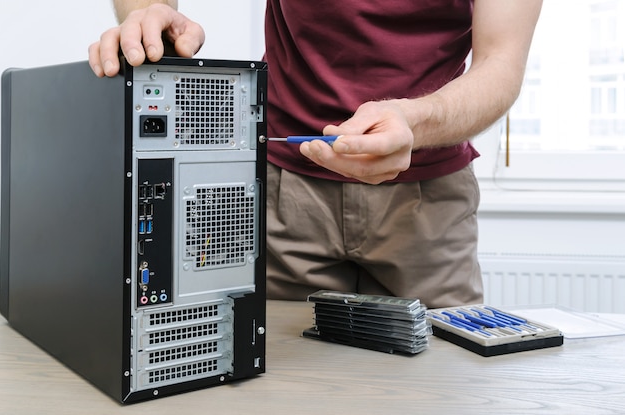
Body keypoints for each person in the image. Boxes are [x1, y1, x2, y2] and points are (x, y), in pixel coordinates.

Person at [89, 0, 542, 308]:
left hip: (430, 203)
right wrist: (150, 15)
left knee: (440, 383)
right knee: (276, 384)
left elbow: (500, 63)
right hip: (282, 196)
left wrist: (415, 121)